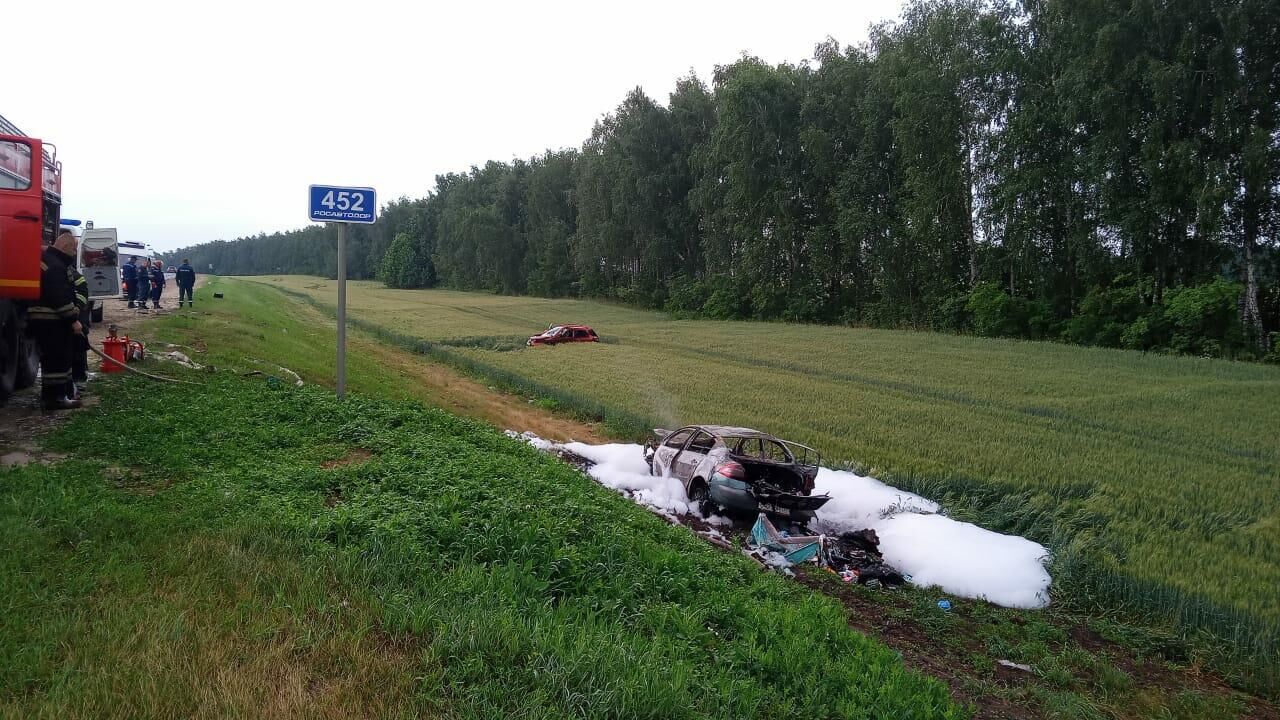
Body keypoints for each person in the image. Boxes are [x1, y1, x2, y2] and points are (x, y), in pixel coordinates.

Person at [29, 232, 82, 410]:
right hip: (52, 320)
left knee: (58, 358)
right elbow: (59, 296)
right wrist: (73, 319)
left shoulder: (49, 260)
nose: (75, 254)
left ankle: (62, 393)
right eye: (74, 250)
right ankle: (55, 398)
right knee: (57, 359)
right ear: (66, 248)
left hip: (47, 320)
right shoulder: (56, 266)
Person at [66, 233, 92, 399]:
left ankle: (79, 383)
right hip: (73, 317)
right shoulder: (66, 270)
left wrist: (75, 314)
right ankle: (75, 383)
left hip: (76, 318)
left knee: (78, 349)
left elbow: (82, 293)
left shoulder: (72, 273)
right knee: (74, 351)